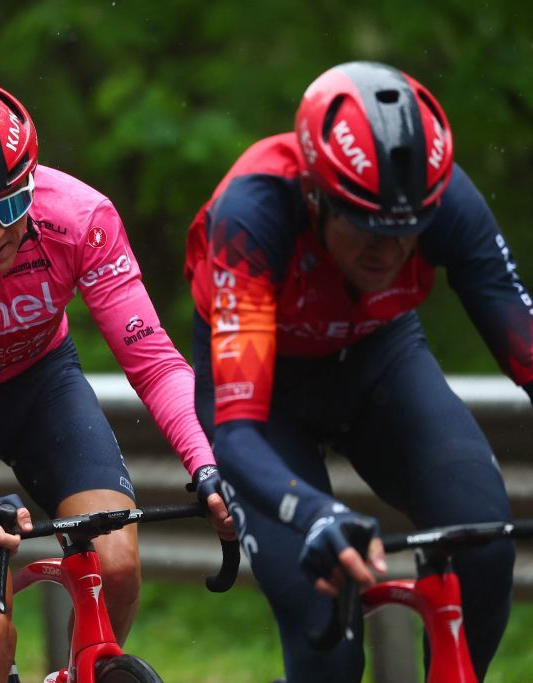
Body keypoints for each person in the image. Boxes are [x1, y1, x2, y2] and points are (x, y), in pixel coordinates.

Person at [0, 77, 234, 682]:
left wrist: (209, 463)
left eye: (11, 204)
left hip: (41, 388)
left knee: (114, 568)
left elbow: (156, 362)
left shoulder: (80, 217)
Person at [184, 60, 531, 681]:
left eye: (407, 232)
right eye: (366, 228)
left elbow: (523, 343)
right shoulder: (254, 210)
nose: (390, 252)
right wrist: (318, 513)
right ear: (315, 194)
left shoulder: (446, 197)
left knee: (483, 547)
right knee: (326, 623)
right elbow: (238, 436)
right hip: (268, 397)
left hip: (379, 357)